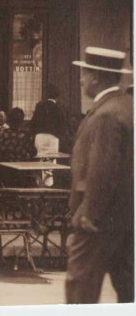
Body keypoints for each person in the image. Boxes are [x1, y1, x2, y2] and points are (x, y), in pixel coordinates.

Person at [66, 47, 134, 304]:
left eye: (84, 73)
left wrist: (88, 213)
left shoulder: (106, 114)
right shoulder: (127, 106)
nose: (81, 79)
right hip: (126, 217)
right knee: (129, 286)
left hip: (99, 220)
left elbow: (103, 168)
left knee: (80, 286)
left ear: (96, 76)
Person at [31, 83, 70, 156]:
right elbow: (61, 124)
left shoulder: (39, 105)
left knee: (39, 160)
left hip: (39, 137)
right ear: (57, 97)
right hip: (52, 137)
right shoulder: (58, 107)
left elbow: (33, 123)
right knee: (52, 160)